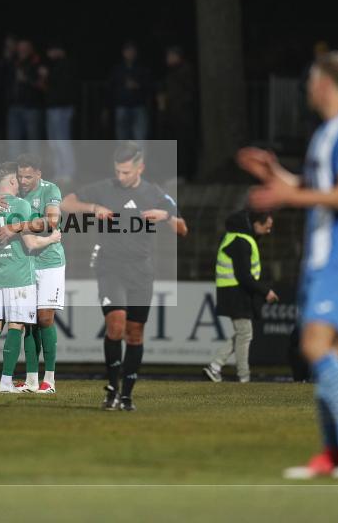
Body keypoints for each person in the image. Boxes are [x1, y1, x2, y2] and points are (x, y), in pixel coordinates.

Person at [239, 51, 338, 479]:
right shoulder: (327, 133)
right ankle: (334, 454)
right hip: (323, 252)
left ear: (326, 83)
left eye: (311, 80)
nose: (306, 87)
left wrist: (285, 196)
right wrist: (274, 174)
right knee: (326, 352)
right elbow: (312, 187)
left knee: (315, 347)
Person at [61, 142, 188, 411]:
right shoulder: (104, 188)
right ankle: (111, 389)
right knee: (115, 326)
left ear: (140, 168)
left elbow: (182, 229)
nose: (121, 177)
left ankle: (127, 394)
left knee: (135, 333)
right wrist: (94, 208)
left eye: (126, 172)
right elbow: (66, 203)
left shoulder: (154, 194)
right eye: (118, 171)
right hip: (110, 267)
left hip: (141, 271)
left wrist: (165, 216)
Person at [0, 153, 65, 393]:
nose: (23, 181)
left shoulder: (49, 189)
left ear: (39, 174)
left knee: (44, 319)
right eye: (20, 176)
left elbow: (52, 220)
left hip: (49, 261)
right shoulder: (14, 193)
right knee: (26, 322)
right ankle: (32, 378)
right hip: (25, 263)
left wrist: (15, 227)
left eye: (28, 177)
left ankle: (50, 379)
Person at [203, 210, 277, 383]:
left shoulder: (237, 237)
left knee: (243, 333)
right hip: (235, 292)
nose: (268, 231)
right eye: (267, 227)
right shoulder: (241, 241)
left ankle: (215, 366)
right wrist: (265, 291)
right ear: (256, 224)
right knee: (245, 334)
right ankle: (243, 377)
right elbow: (244, 276)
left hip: (232, 291)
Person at [158, 46, 198, 180]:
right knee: (175, 145)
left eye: (171, 56)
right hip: (173, 115)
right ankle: (176, 173)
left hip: (182, 115)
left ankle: (184, 173)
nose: (168, 59)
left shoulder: (184, 71)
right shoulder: (171, 73)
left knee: (183, 145)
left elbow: (187, 93)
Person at [41, 43, 77, 184]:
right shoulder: (52, 65)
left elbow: (62, 87)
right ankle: (59, 171)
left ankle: (68, 171)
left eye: (52, 49)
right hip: (52, 107)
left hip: (62, 108)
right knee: (53, 143)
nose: (49, 53)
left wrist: (47, 76)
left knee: (62, 142)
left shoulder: (66, 65)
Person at [6, 39, 44, 158]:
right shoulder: (13, 63)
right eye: (21, 47)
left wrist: (26, 79)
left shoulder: (37, 62)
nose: (23, 50)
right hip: (14, 107)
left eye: (25, 47)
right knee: (14, 142)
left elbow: (42, 84)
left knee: (33, 142)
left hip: (31, 107)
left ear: (31, 49)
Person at [108, 42, 152, 143]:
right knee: (122, 138)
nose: (130, 53)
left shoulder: (142, 68)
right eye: (128, 51)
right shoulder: (118, 69)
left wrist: (138, 86)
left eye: (132, 51)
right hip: (122, 106)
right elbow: (111, 87)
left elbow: (149, 85)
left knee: (140, 137)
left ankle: (138, 159)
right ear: (123, 53)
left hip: (138, 106)